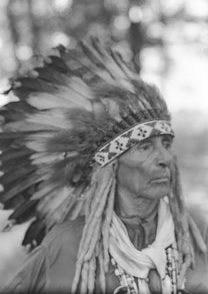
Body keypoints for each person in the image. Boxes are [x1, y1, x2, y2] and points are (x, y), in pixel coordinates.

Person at [0, 38, 208, 294]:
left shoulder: (195, 229)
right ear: (109, 167)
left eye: (166, 143)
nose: (164, 158)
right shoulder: (66, 246)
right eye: (145, 147)